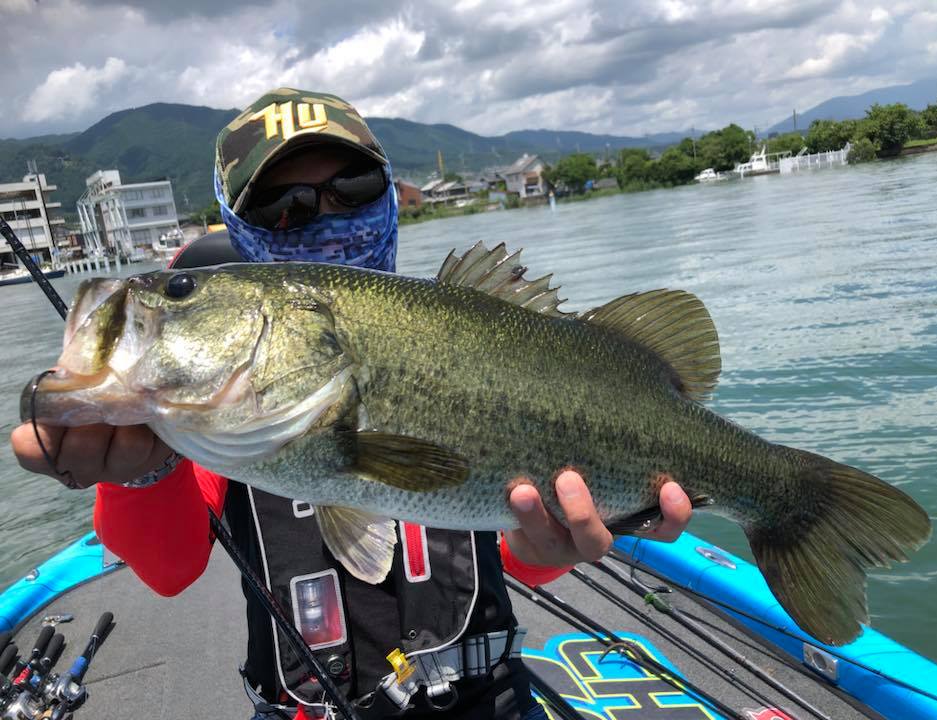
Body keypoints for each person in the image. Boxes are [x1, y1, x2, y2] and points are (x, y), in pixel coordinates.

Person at [11, 88, 692, 719]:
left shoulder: (469, 329)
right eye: (284, 206)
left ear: (389, 195)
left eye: (354, 188)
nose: (327, 216)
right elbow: (168, 571)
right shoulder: (214, 415)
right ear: (238, 230)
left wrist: (552, 545)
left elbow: (519, 559)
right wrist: (138, 472)